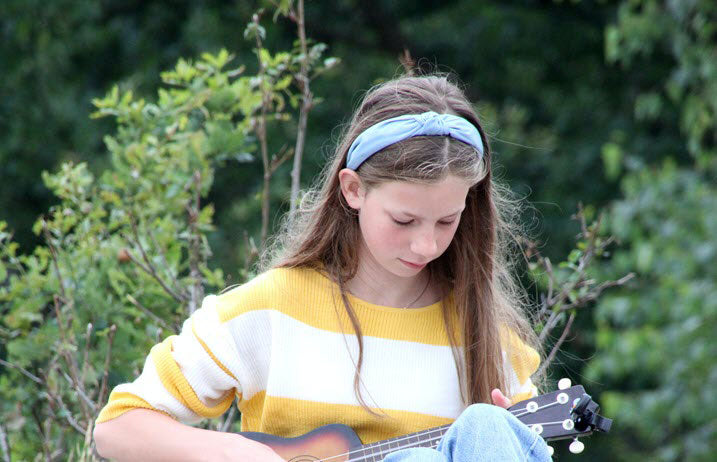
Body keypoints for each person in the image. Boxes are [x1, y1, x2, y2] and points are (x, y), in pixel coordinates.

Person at [93, 74, 550, 461]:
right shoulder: (270, 311)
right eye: (404, 219)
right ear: (353, 190)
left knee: (485, 425)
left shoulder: (484, 335)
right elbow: (117, 426)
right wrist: (236, 453)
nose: (426, 243)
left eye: (447, 220)